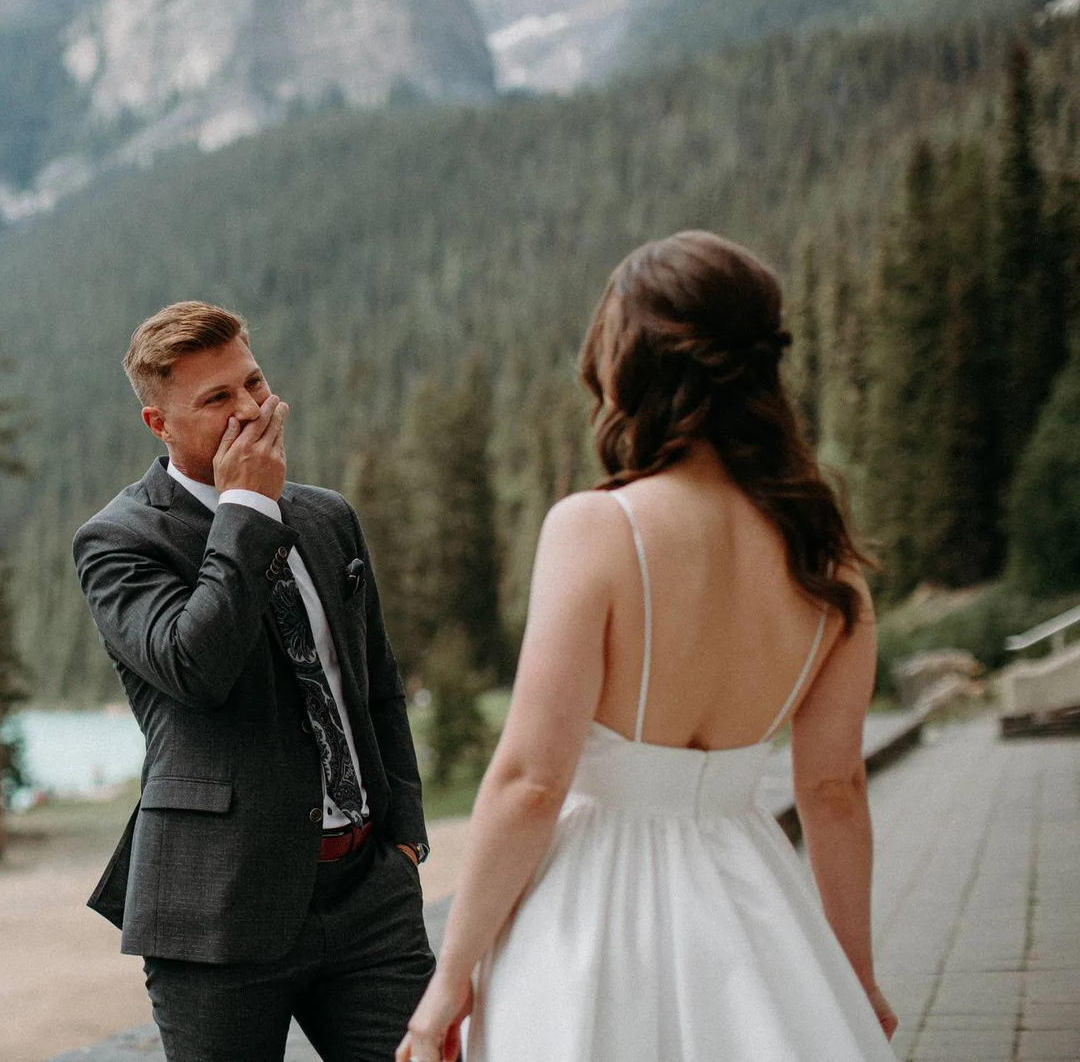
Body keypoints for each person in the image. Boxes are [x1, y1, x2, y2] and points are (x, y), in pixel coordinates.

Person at [396, 231, 898, 1061]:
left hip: (591, 912)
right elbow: (835, 789)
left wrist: (449, 977)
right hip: (752, 899)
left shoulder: (597, 528)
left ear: (632, 363)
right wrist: (852, 976)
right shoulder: (826, 558)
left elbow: (530, 781)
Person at [73, 301, 433, 1061]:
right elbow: (196, 666)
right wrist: (245, 505)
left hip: (370, 895)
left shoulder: (329, 517)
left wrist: (403, 836)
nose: (250, 411)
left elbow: (375, 687)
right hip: (219, 912)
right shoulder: (118, 541)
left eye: (254, 383)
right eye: (216, 399)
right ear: (158, 423)